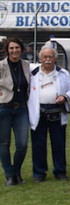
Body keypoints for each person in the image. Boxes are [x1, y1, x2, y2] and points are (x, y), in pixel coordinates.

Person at [28, 46, 70, 182]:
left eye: (50, 57)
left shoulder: (63, 73)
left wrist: (65, 96)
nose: (48, 59)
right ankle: (39, 173)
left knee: (59, 143)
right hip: (38, 112)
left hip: (57, 111)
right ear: (40, 58)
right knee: (38, 144)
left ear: (55, 58)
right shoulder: (33, 73)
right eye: (45, 57)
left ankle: (60, 171)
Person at [0, 37, 31, 185]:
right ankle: (9, 175)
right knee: (4, 143)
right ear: (7, 50)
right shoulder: (1, 66)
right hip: (4, 107)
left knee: (22, 144)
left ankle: (17, 172)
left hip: (21, 109)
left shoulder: (26, 65)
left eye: (17, 48)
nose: (14, 51)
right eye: (11, 48)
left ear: (21, 49)